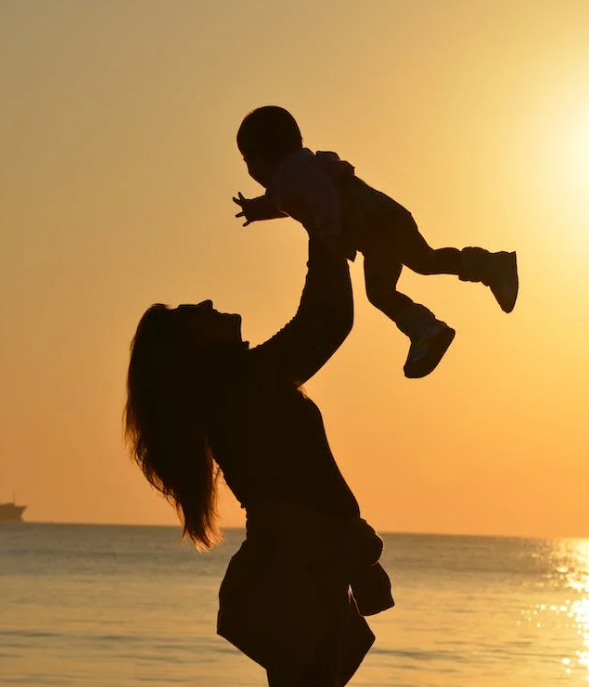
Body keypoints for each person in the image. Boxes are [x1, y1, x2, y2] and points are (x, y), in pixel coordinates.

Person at [124, 238, 391, 687]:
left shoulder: (244, 384)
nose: (209, 302)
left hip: (303, 563)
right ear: (194, 350)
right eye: (195, 313)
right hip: (297, 566)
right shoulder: (245, 384)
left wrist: (326, 233)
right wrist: (320, 225)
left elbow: (329, 323)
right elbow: (324, 321)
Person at [232, 105, 519, 379]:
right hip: (380, 222)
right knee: (421, 264)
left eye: (247, 161)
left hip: (376, 224)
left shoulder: (292, 174)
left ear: (259, 157)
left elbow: (321, 196)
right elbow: (284, 202)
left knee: (393, 283)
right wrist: (256, 210)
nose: (249, 170)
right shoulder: (297, 172)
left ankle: (430, 326)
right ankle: (481, 273)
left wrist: (328, 234)